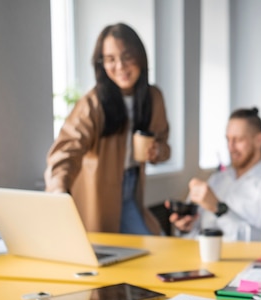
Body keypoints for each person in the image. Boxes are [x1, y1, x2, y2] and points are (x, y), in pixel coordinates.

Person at [44, 22, 170, 235]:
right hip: (98, 194)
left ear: (140, 56)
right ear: (101, 63)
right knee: (106, 254)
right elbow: (66, 151)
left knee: (152, 246)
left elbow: (165, 144)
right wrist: (58, 189)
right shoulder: (92, 103)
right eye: (110, 59)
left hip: (132, 188)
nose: (119, 66)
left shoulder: (152, 97)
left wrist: (158, 151)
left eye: (126, 56)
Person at [170, 107, 261, 242]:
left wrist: (220, 209)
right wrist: (186, 227)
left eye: (238, 140)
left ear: (259, 140)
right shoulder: (217, 179)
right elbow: (195, 234)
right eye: (228, 139)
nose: (231, 147)